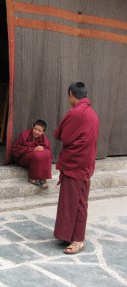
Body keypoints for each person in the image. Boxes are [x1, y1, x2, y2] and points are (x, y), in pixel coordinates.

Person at [54, 82, 99, 255]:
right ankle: (72, 235)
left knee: (76, 202)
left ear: (72, 94)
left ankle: (78, 239)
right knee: (77, 200)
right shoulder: (92, 113)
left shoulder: (77, 113)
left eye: (69, 96)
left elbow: (61, 134)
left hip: (76, 164)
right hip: (84, 163)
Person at [12, 120, 52, 189]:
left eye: (39, 131)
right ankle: (33, 178)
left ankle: (42, 179)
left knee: (47, 153)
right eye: (35, 129)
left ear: (43, 132)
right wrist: (33, 149)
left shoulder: (44, 139)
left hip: (36, 160)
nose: (36, 132)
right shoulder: (24, 135)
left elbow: (48, 154)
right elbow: (16, 150)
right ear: (32, 128)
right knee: (36, 155)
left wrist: (41, 149)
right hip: (22, 159)